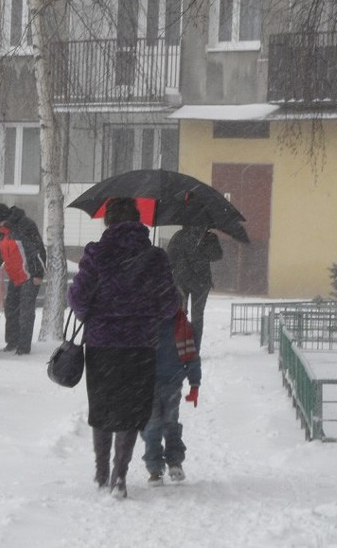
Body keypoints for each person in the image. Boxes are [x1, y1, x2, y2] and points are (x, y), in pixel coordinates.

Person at [68, 197, 178, 499]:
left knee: (103, 408)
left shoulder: (97, 253)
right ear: (138, 221)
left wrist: (98, 311)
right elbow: (170, 305)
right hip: (140, 345)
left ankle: (101, 470)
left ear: (108, 222)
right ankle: (120, 475)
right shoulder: (155, 257)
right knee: (130, 412)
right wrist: (146, 312)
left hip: (102, 345)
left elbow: (78, 300)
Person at [140, 310, 201, 485]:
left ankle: (161, 467)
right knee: (164, 424)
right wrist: (194, 383)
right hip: (158, 383)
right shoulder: (182, 326)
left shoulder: (148, 324)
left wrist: (195, 384)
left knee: (157, 425)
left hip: (164, 383)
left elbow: (192, 358)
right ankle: (165, 465)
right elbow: (192, 358)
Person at [0, 203, 46, 355]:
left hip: (30, 276)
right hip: (15, 276)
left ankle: (23, 348)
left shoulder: (25, 225)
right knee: (11, 310)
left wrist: (38, 274)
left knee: (25, 312)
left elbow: (38, 250)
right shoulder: (2, 232)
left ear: (4, 218)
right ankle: (12, 343)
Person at [166, 225, 223, 352]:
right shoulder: (209, 237)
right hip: (199, 283)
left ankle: (180, 347)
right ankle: (195, 348)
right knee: (196, 316)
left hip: (183, 281)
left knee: (180, 315)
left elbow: (170, 258)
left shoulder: (179, 236)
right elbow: (217, 255)